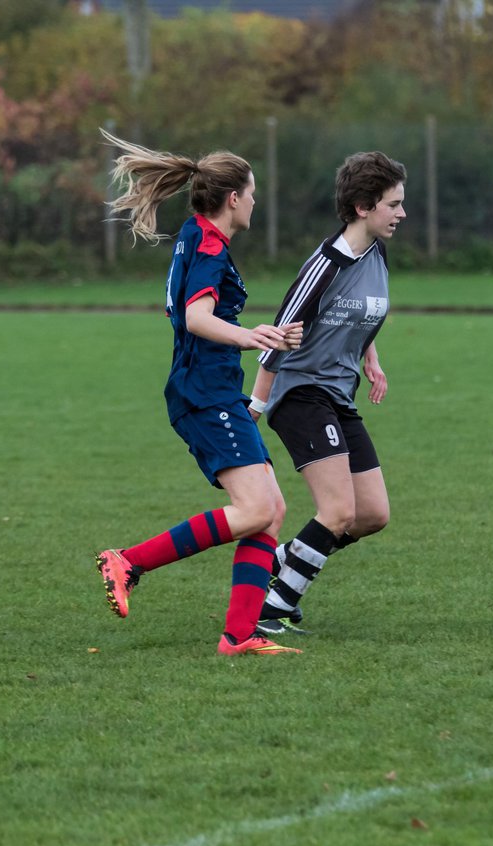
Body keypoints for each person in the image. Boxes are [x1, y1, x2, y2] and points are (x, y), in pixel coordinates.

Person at [93, 129, 304, 655]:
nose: (255, 201)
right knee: (257, 509)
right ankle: (130, 561)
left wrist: (262, 335)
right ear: (233, 198)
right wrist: (251, 336)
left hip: (210, 389)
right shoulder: (208, 244)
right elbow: (196, 317)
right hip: (204, 394)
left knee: (270, 509)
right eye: (252, 193)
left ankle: (239, 635)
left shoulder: (194, 233)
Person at [247, 151, 407, 635]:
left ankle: (283, 561)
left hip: (338, 395)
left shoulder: (377, 251)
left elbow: (362, 311)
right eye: (393, 204)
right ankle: (273, 607)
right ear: (363, 207)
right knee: (338, 512)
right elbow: (279, 334)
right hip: (300, 394)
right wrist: (255, 404)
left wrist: (370, 356)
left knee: (372, 514)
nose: (401, 214)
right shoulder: (325, 266)